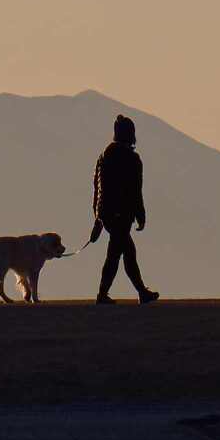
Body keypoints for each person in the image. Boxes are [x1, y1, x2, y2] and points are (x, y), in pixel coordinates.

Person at [92, 114, 159, 305]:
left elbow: (98, 189)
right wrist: (141, 215)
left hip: (106, 214)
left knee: (127, 252)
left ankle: (141, 292)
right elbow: (135, 190)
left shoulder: (104, 156)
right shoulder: (132, 158)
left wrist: (98, 218)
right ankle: (103, 294)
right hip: (122, 214)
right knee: (116, 254)